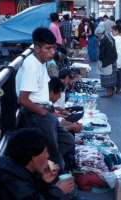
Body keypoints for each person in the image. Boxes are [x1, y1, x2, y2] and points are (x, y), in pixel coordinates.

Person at [15, 27, 73, 170]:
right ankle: (55, 184)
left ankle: (44, 170)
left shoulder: (41, 62)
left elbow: (42, 91)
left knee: (67, 141)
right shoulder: (31, 65)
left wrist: (53, 110)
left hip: (45, 112)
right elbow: (23, 99)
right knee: (56, 158)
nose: (52, 52)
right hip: (37, 115)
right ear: (37, 48)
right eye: (48, 48)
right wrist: (43, 113)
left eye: (53, 48)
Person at [0, 128, 75, 200]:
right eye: (45, 152)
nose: (48, 156)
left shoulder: (16, 169)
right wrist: (58, 191)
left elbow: (34, 193)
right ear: (33, 156)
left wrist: (43, 182)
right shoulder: (14, 184)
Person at [95, 25, 118, 97]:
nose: (97, 36)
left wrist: (101, 61)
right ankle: (110, 91)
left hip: (108, 61)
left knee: (108, 78)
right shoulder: (108, 37)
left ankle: (109, 93)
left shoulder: (105, 40)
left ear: (100, 33)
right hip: (111, 60)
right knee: (110, 77)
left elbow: (102, 52)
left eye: (97, 35)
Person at [112, 25, 121, 93]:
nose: (112, 33)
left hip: (117, 59)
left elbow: (119, 51)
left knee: (117, 74)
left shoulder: (117, 39)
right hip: (120, 58)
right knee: (118, 74)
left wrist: (118, 63)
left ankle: (117, 88)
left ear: (117, 31)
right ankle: (118, 88)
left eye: (113, 31)